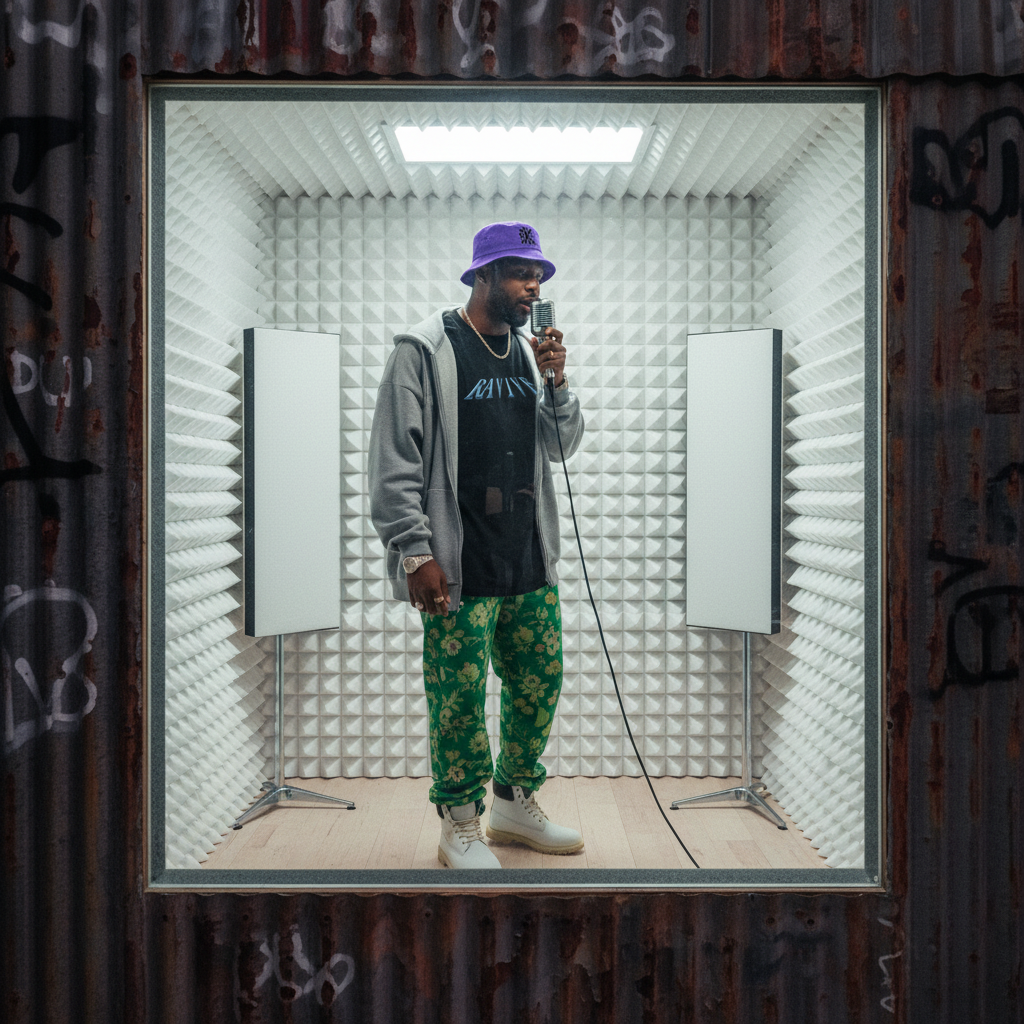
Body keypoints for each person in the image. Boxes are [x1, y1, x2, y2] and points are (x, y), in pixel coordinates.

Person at [368, 221, 586, 869]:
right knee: (458, 695)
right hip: (457, 564)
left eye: (539, 276)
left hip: (527, 557)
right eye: (522, 274)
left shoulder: (526, 353)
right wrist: (415, 552)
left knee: (540, 678)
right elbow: (392, 462)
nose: (533, 287)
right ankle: (459, 822)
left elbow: (559, 446)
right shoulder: (424, 349)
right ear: (483, 275)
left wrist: (558, 383)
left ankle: (514, 802)